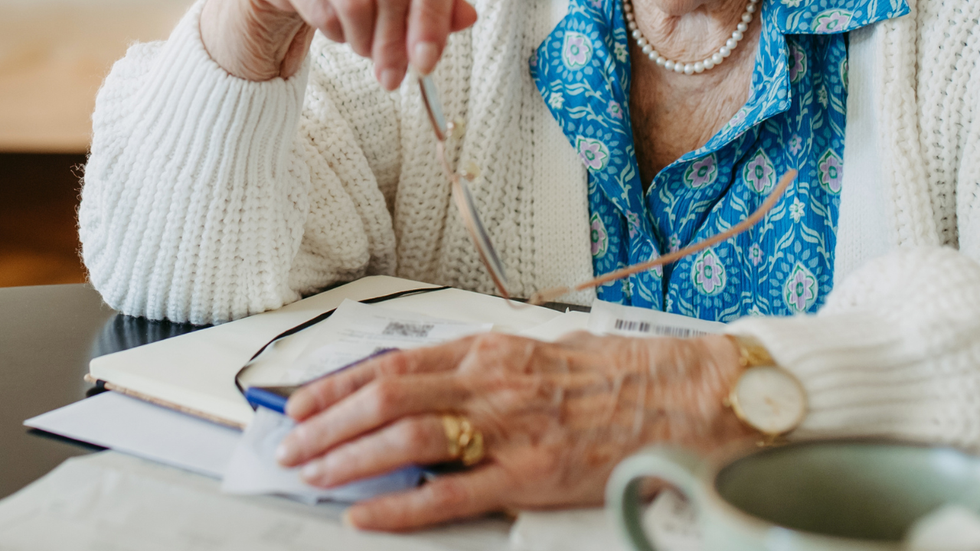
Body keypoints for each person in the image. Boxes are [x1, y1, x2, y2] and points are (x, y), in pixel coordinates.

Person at [79, 0, 980, 533]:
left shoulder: (951, 39)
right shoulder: (463, 22)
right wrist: (252, 25)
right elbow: (172, 268)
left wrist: (703, 390)